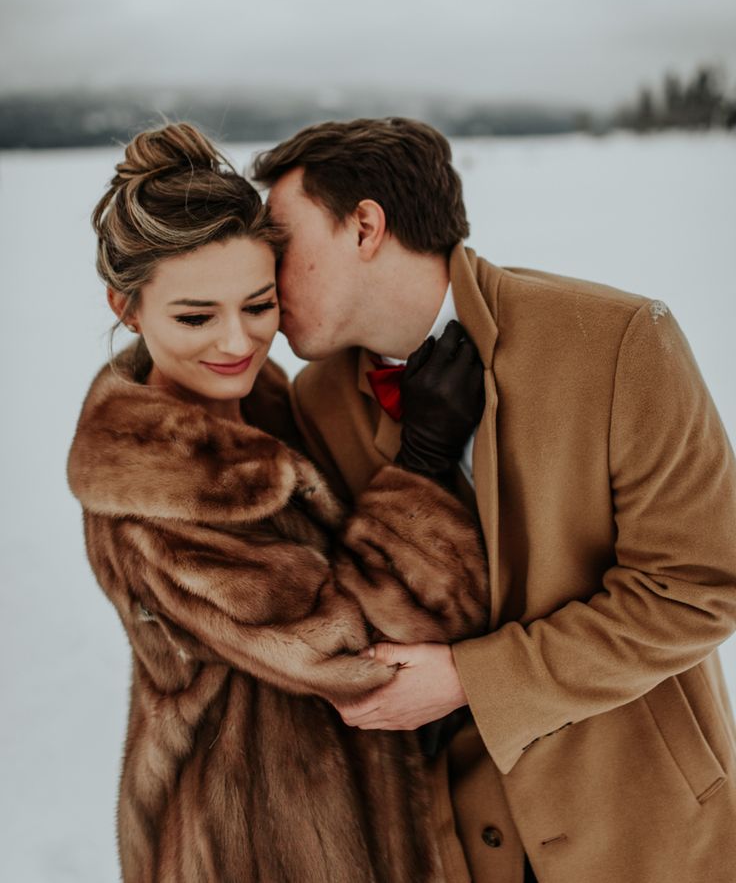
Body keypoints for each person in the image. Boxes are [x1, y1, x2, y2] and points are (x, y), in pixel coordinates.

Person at [252, 116, 736, 883]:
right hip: (453, 850)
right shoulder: (316, 402)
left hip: (645, 831)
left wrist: (475, 680)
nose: (265, 279)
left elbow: (701, 588)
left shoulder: (619, 341)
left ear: (366, 226)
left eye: (279, 243)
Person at [67, 122, 491, 883]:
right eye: (195, 317)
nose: (237, 342)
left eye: (259, 305)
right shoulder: (154, 494)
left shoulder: (258, 405)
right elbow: (356, 650)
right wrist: (422, 467)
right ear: (126, 308)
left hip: (346, 813)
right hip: (255, 839)